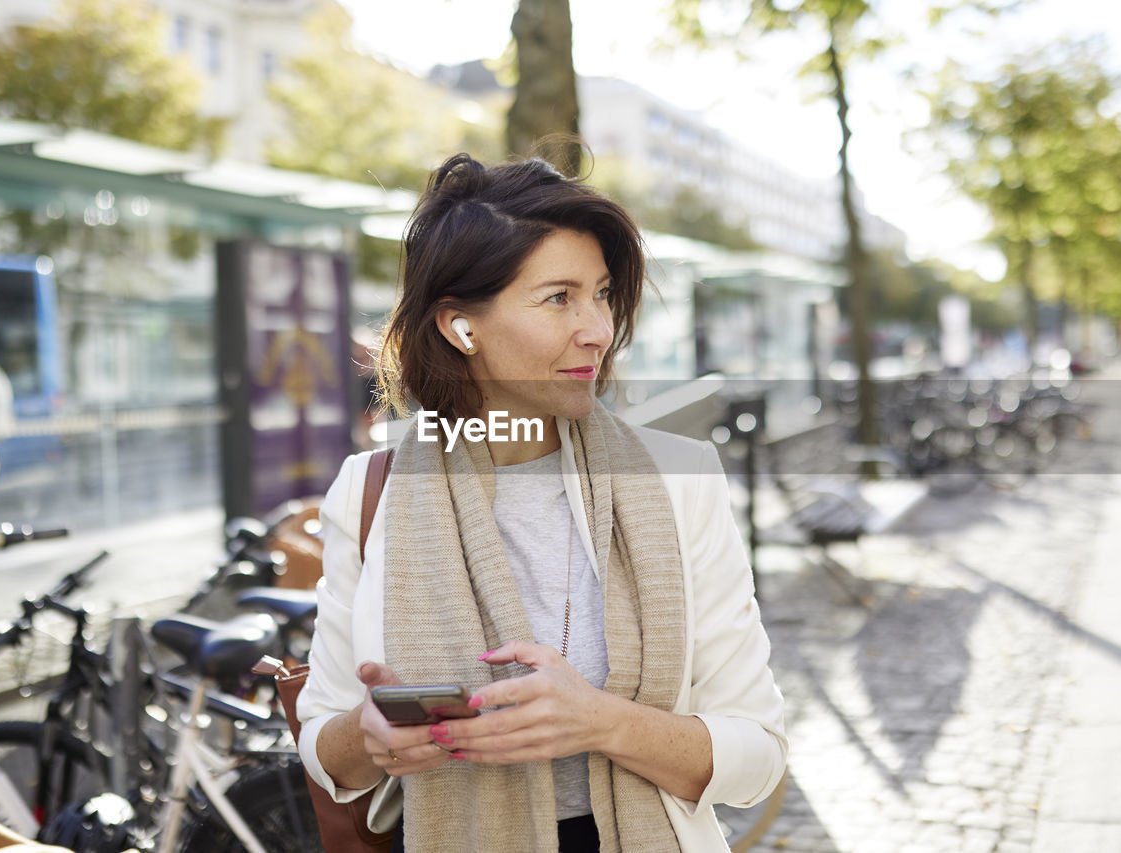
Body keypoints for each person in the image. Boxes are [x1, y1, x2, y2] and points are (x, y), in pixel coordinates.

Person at [297, 152, 787, 853]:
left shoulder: (680, 480)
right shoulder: (370, 490)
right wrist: (367, 734)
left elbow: (760, 753)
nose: (598, 329)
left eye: (602, 294)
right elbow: (323, 743)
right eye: (560, 298)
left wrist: (600, 722)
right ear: (459, 327)